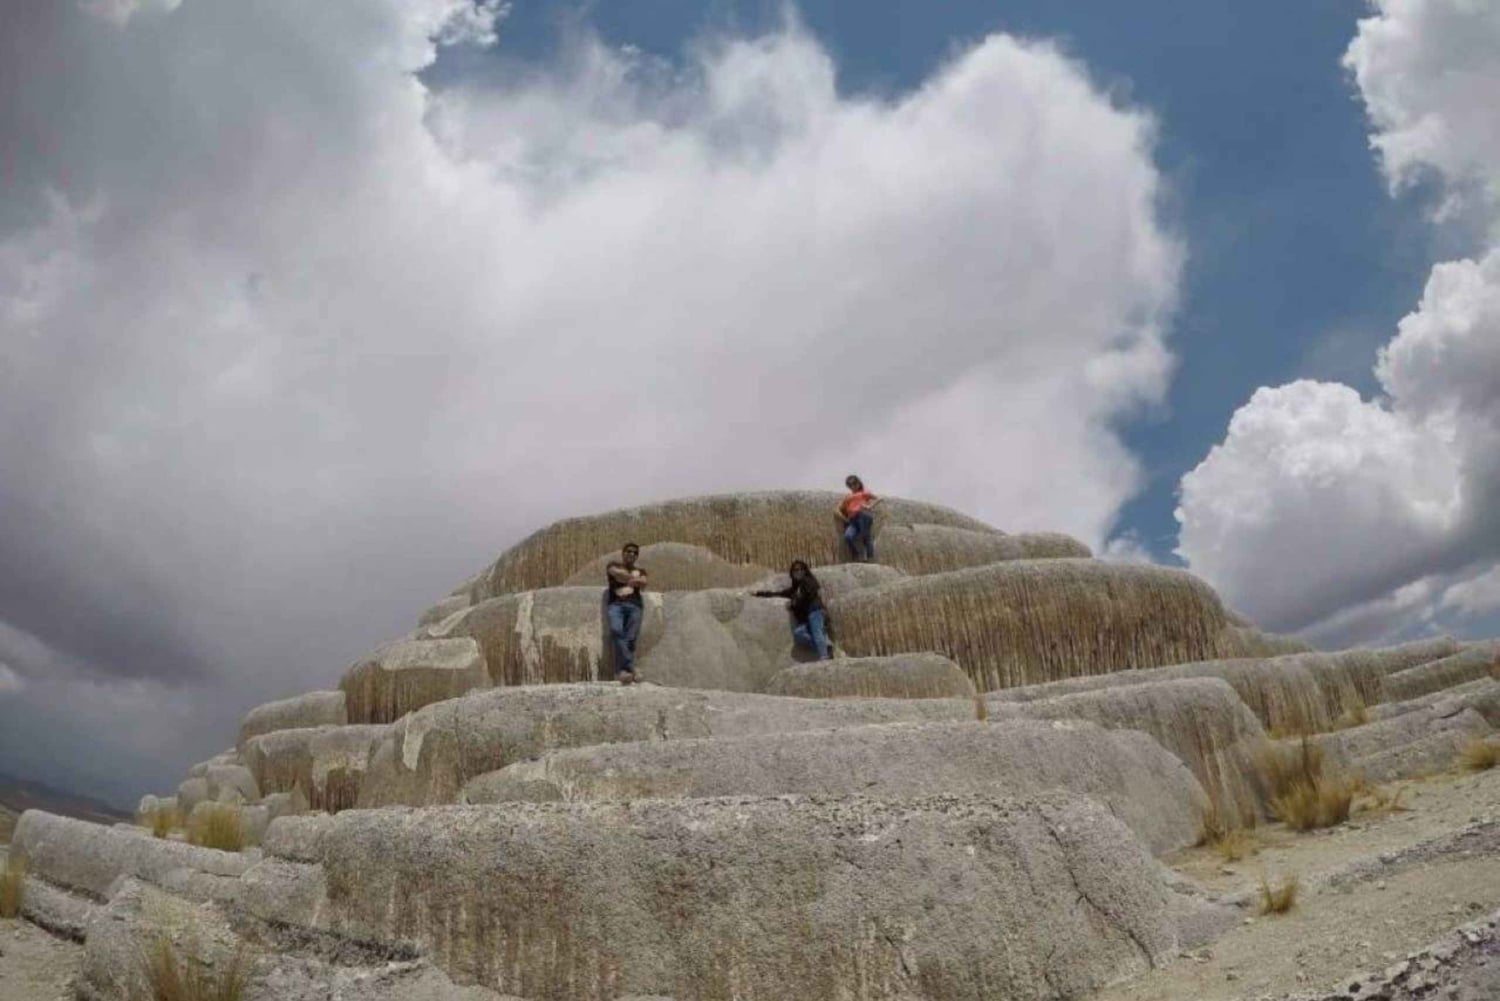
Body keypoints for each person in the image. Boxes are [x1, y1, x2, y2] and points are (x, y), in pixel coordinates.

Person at [751, 560, 833, 660]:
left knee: (817, 633)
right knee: (799, 633)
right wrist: (759, 594)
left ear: (804, 570)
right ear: (792, 573)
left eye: (800, 569)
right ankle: (826, 648)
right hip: (808, 618)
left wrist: (795, 602)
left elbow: (810, 592)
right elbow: (779, 594)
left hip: (815, 611)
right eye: (795, 570)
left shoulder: (808, 580)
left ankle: (824, 656)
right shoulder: (795, 589)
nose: (798, 572)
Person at [604, 543, 649, 684]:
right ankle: (631, 668)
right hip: (615, 605)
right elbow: (616, 574)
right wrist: (634, 580)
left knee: (630, 639)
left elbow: (644, 582)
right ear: (623, 553)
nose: (631, 554)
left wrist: (626, 578)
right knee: (616, 631)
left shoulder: (641, 570)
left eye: (635, 552)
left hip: (635, 606)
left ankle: (623, 673)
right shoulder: (612, 564)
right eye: (628, 551)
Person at [836, 475, 879, 562]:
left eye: (854, 483)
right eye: (850, 485)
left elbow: (878, 498)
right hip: (852, 520)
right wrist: (844, 518)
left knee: (866, 536)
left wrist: (869, 506)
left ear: (858, 483)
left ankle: (869, 558)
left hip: (863, 516)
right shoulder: (848, 497)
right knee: (848, 536)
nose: (852, 486)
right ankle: (857, 554)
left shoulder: (864, 493)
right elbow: (837, 509)